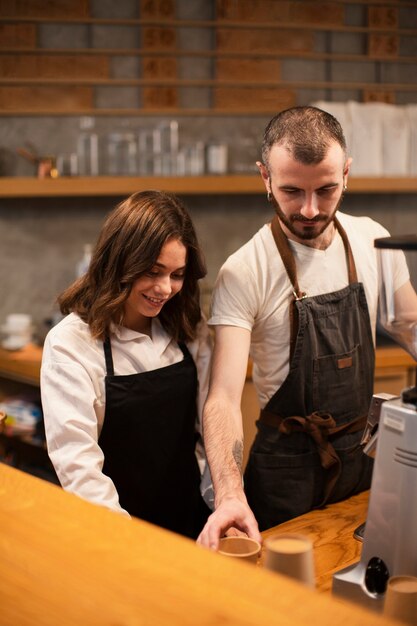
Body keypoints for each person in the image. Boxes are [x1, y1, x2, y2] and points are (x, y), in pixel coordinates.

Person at [198, 105, 417, 548]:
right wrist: (228, 494)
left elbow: (412, 326)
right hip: (285, 472)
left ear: (347, 174)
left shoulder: (373, 240)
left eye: (327, 190)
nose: (311, 209)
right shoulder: (245, 270)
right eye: (292, 191)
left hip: (365, 458)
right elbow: (221, 398)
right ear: (265, 177)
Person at [41, 190, 213, 539]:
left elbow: (209, 435)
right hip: (114, 535)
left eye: (177, 274)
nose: (165, 288)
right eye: (152, 271)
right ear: (120, 261)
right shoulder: (70, 345)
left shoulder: (190, 329)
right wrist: (131, 543)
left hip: (191, 525)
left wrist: (218, 504)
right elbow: (79, 468)